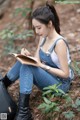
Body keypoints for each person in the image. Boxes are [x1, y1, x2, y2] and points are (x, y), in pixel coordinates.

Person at [0, 3, 74, 120]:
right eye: (34, 28)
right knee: (23, 62)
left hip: (61, 85)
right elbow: (36, 60)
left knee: (27, 66)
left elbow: (65, 74)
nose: (36, 31)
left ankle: (24, 112)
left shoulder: (59, 43)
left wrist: (42, 66)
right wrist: (27, 55)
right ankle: (3, 83)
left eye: (39, 27)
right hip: (49, 77)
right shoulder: (43, 37)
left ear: (49, 24)